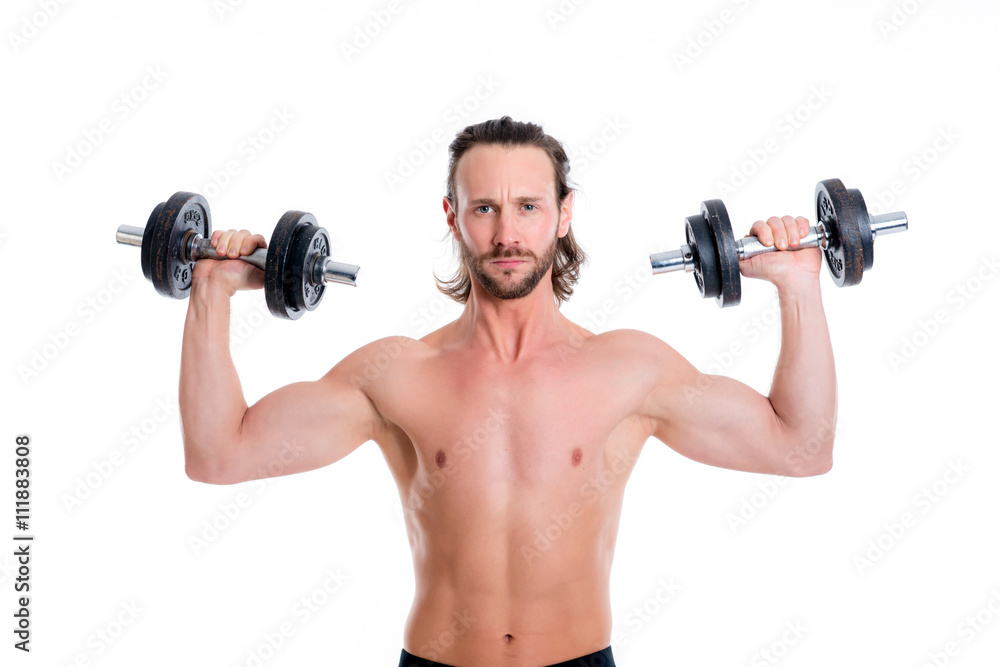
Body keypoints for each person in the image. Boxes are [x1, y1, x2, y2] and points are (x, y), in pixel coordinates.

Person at [179, 116, 835, 667]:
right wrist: (210, 290)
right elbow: (220, 453)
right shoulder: (397, 373)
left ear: (563, 213)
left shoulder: (628, 368)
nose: (506, 234)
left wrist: (799, 284)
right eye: (484, 207)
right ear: (453, 216)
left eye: (529, 205)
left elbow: (800, 447)